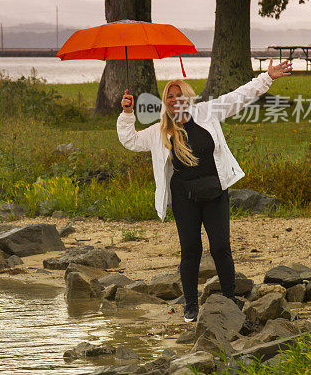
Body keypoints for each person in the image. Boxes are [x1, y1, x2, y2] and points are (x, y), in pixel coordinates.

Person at [116, 59, 292, 322]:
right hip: (184, 196)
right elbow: (130, 140)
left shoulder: (207, 113)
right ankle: (190, 305)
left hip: (214, 190)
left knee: (221, 247)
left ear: (188, 96)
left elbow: (239, 96)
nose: (175, 100)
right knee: (191, 250)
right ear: (166, 102)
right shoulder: (160, 130)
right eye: (170, 97)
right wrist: (128, 113)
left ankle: (230, 300)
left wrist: (267, 77)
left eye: (179, 95)